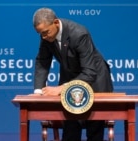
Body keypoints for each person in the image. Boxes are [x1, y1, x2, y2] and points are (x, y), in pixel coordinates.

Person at [32, 7, 113, 141]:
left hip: (95, 79)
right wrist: (38, 91)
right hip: (70, 76)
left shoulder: (79, 34)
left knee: (94, 128)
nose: (44, 37)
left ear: (56, 23)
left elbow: (89, 72)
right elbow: (42, 61)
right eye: (40, 34)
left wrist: (62, 88)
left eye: (46, 32)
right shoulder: (46, 36)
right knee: (70, 127)